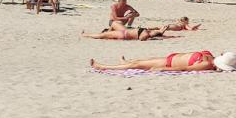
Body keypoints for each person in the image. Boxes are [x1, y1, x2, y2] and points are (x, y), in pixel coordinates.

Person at [90, 50, 218, 72]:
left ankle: (103, 66)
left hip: (168, 63)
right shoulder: (209, 55)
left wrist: (164, 69)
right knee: (141, 61)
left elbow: (184, 68)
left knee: (138, 65)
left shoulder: (207, 64)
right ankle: (125, 63)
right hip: (170, 58)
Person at [82, 24, 169, 40]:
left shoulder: (147, 33)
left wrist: (160, 31)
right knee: (103, 34)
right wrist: (161, 31)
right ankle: (86, 34)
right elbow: (144, 37)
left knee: (102, 35)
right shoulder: (148, 33)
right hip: (127, 33)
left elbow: (143, 38)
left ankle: (85, 34)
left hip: (125, 34)